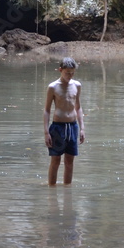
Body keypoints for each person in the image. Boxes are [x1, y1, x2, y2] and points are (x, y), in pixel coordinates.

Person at [43, 57, 85, 185]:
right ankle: (52, 191)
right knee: (55, 161)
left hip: (72, 126)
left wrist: (82, 128)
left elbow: (78, 107)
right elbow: (47, 110)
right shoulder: (53, 87)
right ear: (60, 70)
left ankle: (67, 191)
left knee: (69, 162)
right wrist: (46, 132)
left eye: (72, 73)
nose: (70, 76)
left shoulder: (77, 85)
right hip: (57, 127)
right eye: (67, 73)